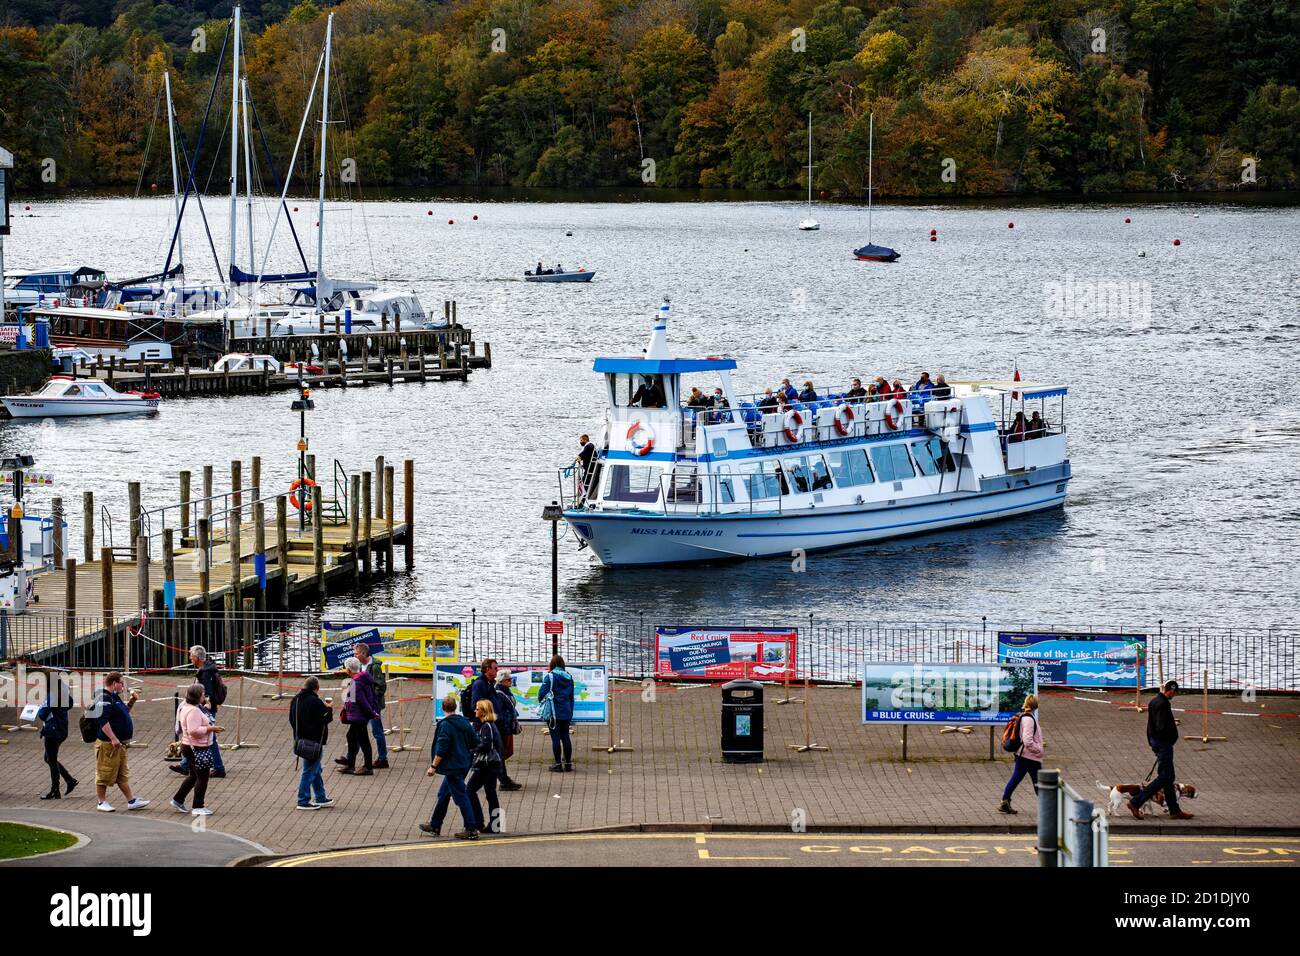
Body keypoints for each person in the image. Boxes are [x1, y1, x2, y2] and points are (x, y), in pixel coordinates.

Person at [1128, 681, 1193, 820]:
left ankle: (1174, 810)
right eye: (1174, 693)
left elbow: (1150, 726)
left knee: (1169, 778)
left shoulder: (1154, 701)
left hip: (1158, 743)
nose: (1174, 695)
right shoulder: (1163, 704)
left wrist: (1152, 743)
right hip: (1164, 744)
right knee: (1164, 777)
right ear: (1170, 690)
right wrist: (1169, 739)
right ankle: (1135, 802)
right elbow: (1160, 727)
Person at [419, 694, 480, 839]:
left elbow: (442, 748)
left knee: (461, 797)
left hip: (452, 767)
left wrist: (433, 766)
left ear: (442, 708)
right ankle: (435, 824)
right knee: (443, 794)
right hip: (463, 764)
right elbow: (475, 742)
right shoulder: (465, 722)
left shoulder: (446, 725)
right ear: (456, 707)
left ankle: (471, 828)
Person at [93, 672, 149, 812]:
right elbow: (103, 721)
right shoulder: (104, 697)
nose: (123, 686)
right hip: (108, 744)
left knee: (121, 774)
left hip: (120, 744)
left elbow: (123, 713)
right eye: (121, 683)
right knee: (104, 773)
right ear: (114, 683)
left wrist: (131, 702)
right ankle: (101, 802)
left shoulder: (114, 696)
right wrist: (113, 737)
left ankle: (131, 801)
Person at [170, 682, 224, 817]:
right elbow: (194, 731)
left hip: (189, 746)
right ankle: (198, 806)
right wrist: (211, 728)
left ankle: (178, 799)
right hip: (196, 747)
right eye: (203, 694)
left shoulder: (188, 707)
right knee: (203, 777)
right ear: (197, 696)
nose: (205, 695)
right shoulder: (193, 711)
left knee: (194, 775)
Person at [173, 645, 226, 778]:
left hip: (205, 709)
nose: (190, 658)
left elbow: (206, 692)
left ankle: (219, 768)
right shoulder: (207, 668)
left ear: (197, 658)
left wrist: (204, 707)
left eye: (191, 656)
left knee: (209, 737)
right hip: (207, 707)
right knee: (205, 737)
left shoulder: (205, 672)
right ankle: (185, 765)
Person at [289, 676, 335, 810]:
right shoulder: (315, 701)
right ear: (316, 688)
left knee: (316, 769)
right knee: (309, 771)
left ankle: (321, 797)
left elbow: (291, 719)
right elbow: (325, 718)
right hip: (314, 741)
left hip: (301, 740)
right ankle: (303, 800)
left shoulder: (295, 699)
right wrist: (329, 708)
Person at [998, 695, 1043, 814]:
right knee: (1039, 783)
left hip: (1023, 755)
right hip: (1029, 756)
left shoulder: (1024, 716)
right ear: (1036, 705)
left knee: (1015, 779)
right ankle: (1048, 807)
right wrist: (1038, 749)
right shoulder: (1028, 719)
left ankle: (1005, 802)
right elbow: (1027, 740)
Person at [36, 671, 77, 800]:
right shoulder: (62, 693)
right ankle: (69, 780)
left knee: (51, 760)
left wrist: (42, 707)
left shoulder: (51, 695)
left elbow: (42, 714)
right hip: (62, 729)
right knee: (48, 758)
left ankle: (55, 789)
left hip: (52, 731)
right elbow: (70, 703)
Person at [466, 699, 504, 834]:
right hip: (490, 765)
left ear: (483, 711)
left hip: (487, 765)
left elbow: (487, 745)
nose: (475, 710)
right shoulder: (488, 725)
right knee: (490, 794)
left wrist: (471, 750)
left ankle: (481, 822)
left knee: (471, 790)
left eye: (477, 709)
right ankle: (496, 825)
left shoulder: (487, 726)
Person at [337, 657, 379, 775]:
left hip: (358, 716)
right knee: (351, 736)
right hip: (359, 715)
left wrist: (371, 713)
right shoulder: (363, 679)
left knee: (363, 740)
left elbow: (361, 700)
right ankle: (351, 765)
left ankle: (367, 767)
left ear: (349, 670)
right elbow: (369, 697)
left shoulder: (356, 683)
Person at [353, 643, 389, 769]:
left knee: (377, 732)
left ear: (364, 654)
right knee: (358, 730)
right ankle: (349, 757)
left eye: (356, 653)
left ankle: (382, 758)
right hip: (363, 705)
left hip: (373, 706)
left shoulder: (374, 667)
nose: (354, 656)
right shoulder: (359, 666)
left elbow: (381, 686)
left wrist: (372, 701)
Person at [539, 655, 576, 772]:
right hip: (566, 711)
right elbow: (571, 697)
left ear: (552, 664)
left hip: (553, 712)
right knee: (566, 737)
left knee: (555, 738)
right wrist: (570, 711)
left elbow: (541, 695)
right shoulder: (569, 678)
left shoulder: (550, 677)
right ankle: (568, 763)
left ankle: (558, 764)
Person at [495, 672, 523, 792]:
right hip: (502, 728)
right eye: (508, 679)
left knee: (502, 754)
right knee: (500, 754)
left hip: (506, 727)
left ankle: (503, 779)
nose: (511, 681)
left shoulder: (506, 692)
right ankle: (504, 780)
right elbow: (500, 713)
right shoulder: (499, 694)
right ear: (502, 681)